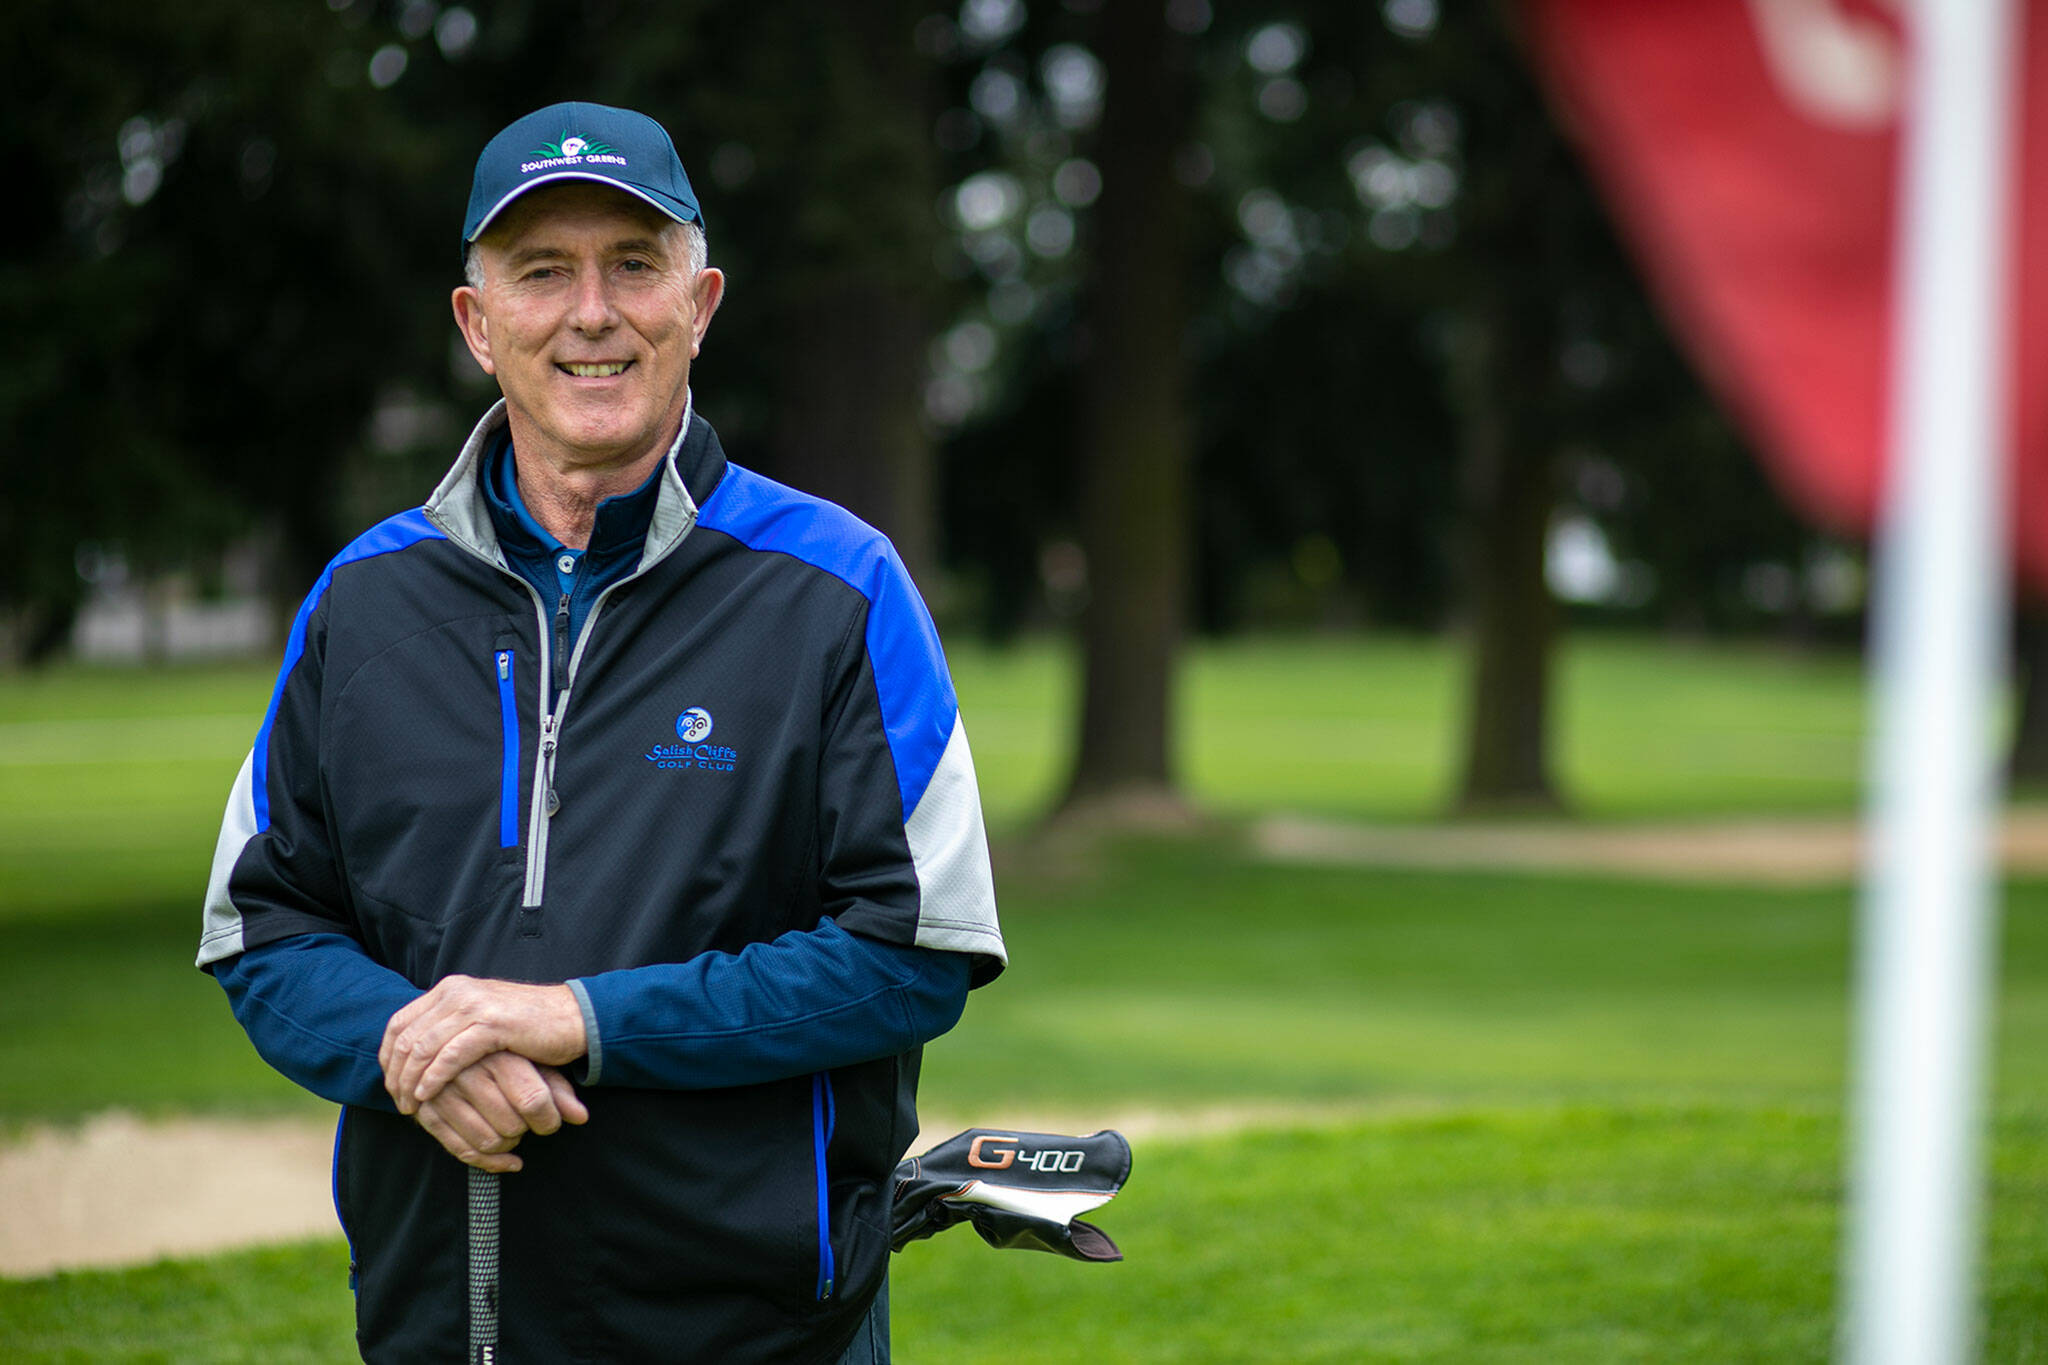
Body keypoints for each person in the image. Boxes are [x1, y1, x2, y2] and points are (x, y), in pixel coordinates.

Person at [196, 100, 1005, 1364]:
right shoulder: (362, 600)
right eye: (540, 273)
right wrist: (412, 1052)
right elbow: (264, 921)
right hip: (437, 1318)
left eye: (634, 265)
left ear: (701, 304)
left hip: (758, 1331)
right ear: (476, 323)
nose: (591, 313)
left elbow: (914, 952)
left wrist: (580, 1018)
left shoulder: (839, 586)